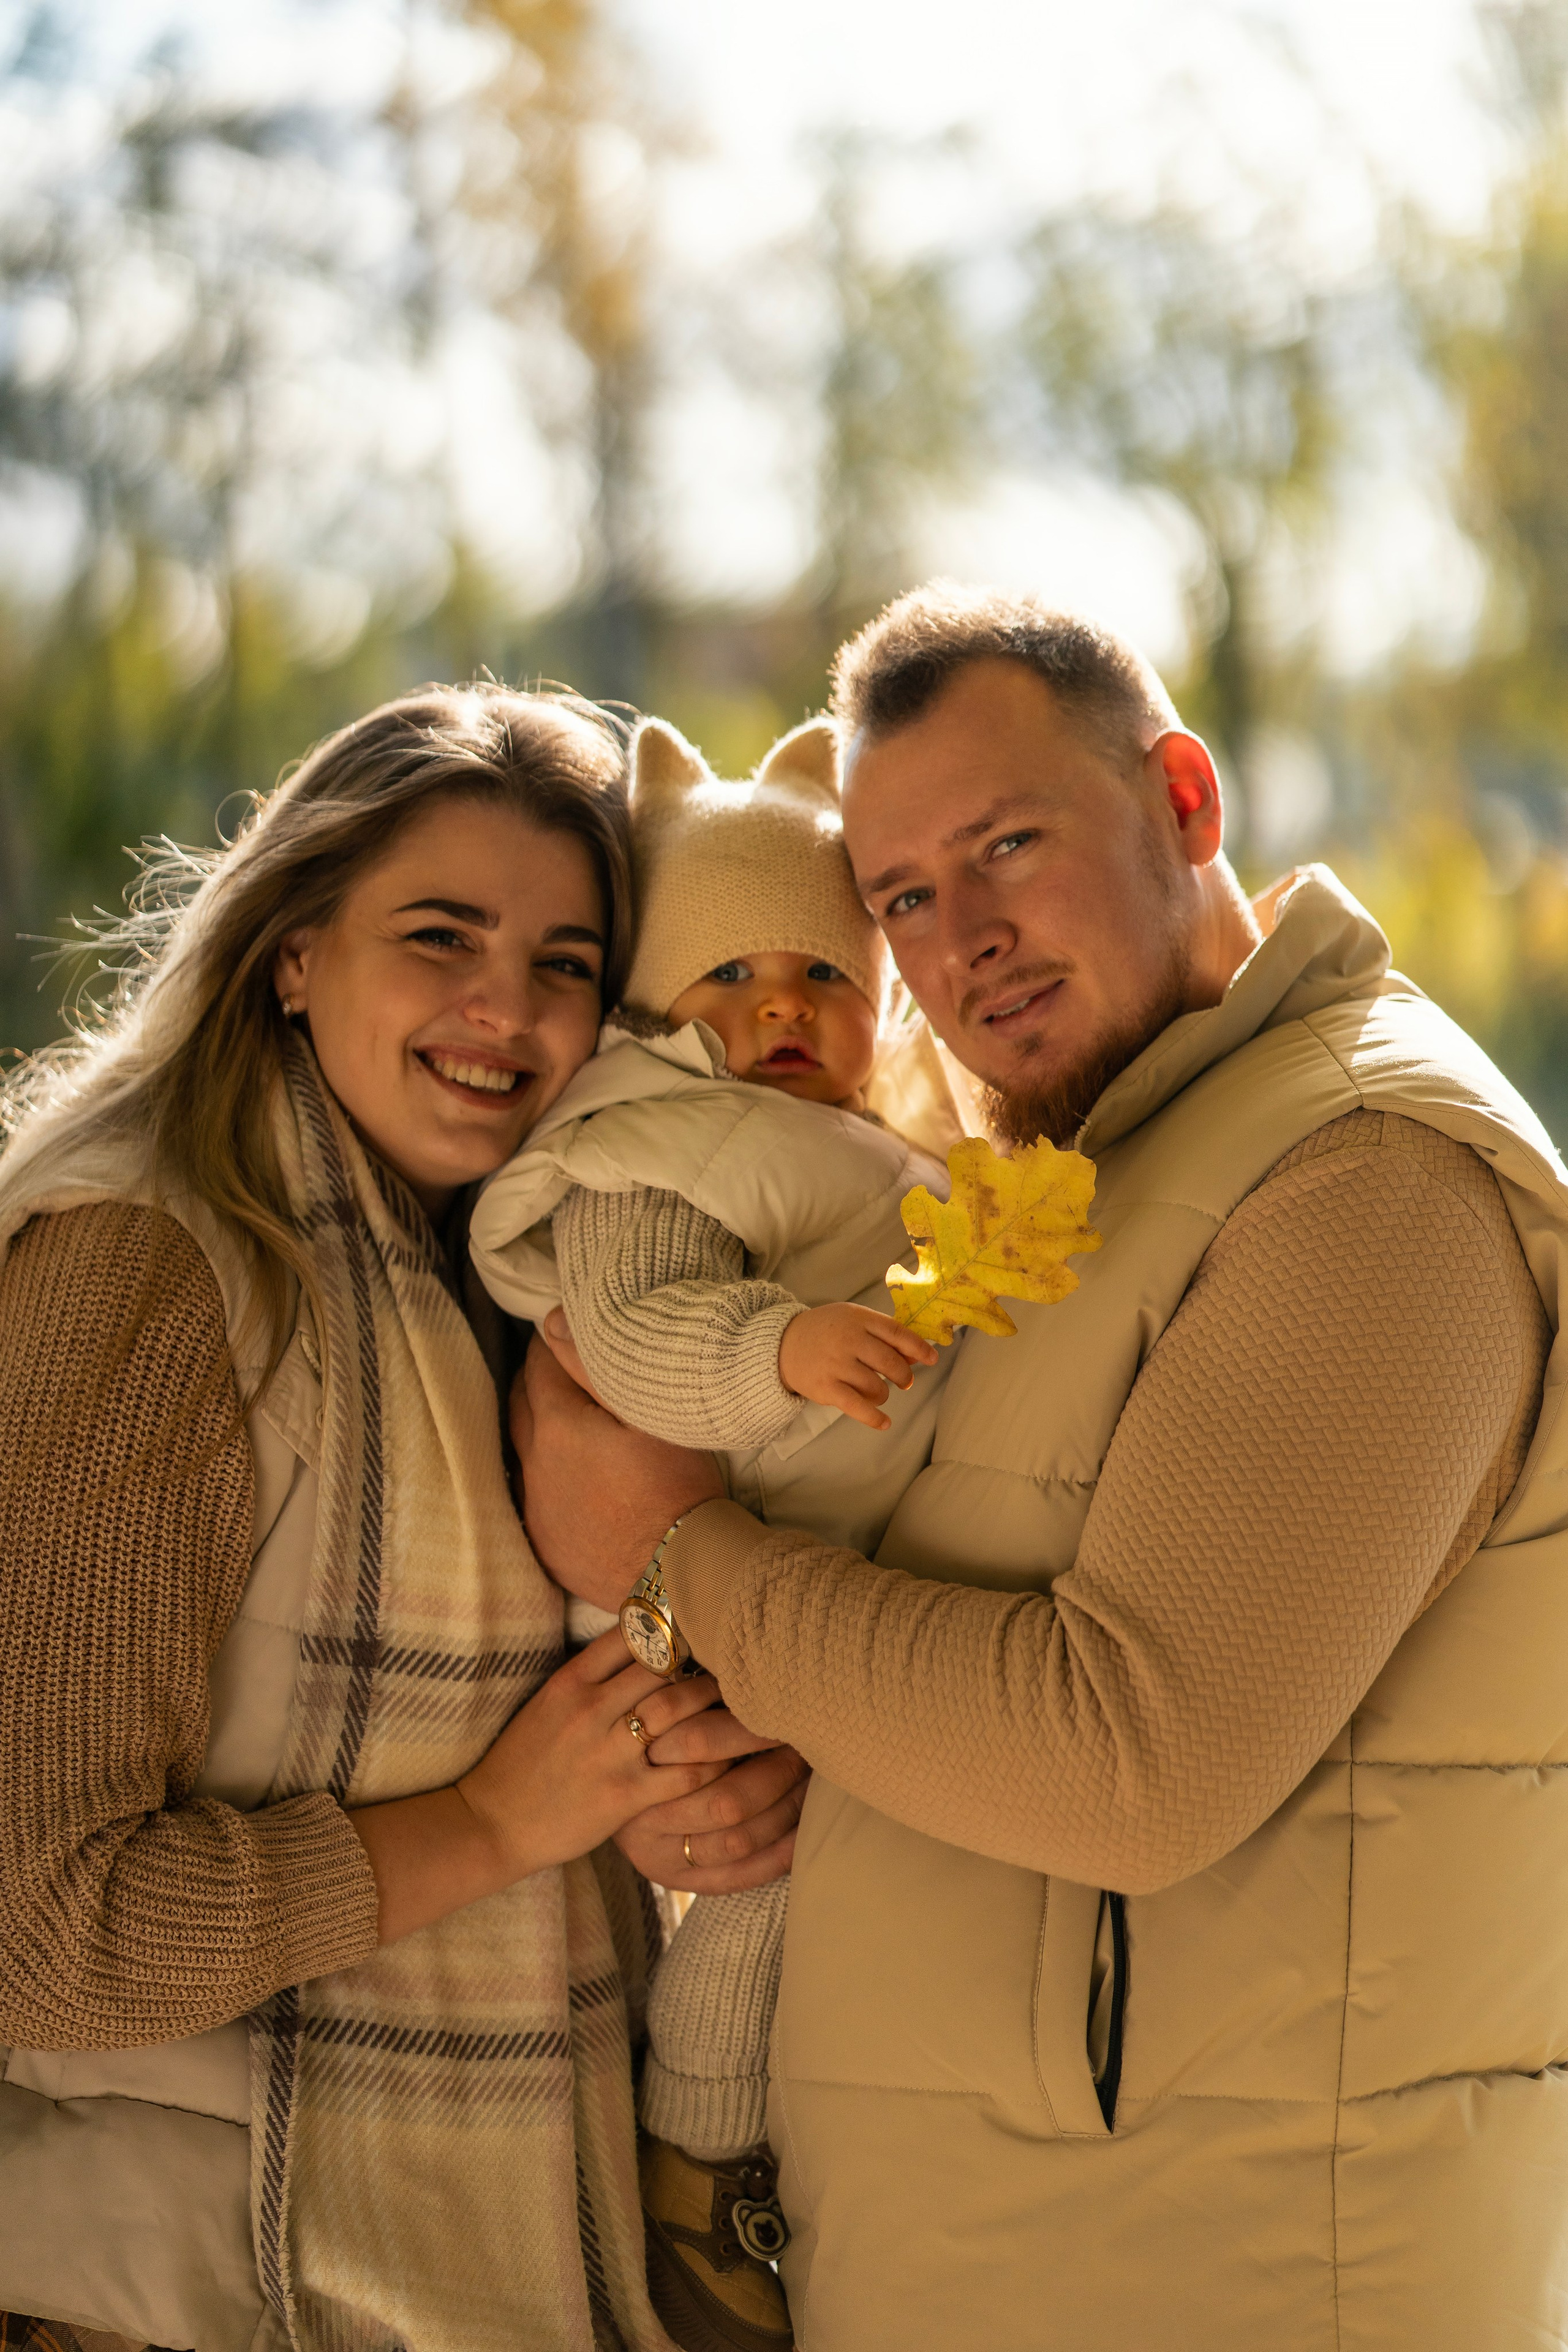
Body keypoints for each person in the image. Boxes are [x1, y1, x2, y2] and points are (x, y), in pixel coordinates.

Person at [515, 586, 1568, 2351]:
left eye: (1011, 846)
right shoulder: (1088, 1173)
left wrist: (680, 1561)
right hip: (988, 2273)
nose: (965, 939)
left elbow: (1130, 1761)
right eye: (905, 897)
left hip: (1227, 2292)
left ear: (1185, 801)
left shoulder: (1366, 1174)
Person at [0, 682, 805, 2352]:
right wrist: (505, 1825)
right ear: (294, 950)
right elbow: (40, 1933)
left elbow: (558, 1682)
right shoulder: (146, 1268)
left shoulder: (515, 1275)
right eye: (440, 936)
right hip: (162, 2294)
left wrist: (648, 1810)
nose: (504, 1009)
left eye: (566, 965)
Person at [469, 712, 956, 2352]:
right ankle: (695, 2158)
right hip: (679, 1616)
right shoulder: (648, 1140)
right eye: (729, 979)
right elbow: (632, 1334)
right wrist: (780, 1351)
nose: (778, 1009)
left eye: (820, 978)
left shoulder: (858, 1138)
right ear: (652, 1007)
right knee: (755, 1871)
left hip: (789, 1576)